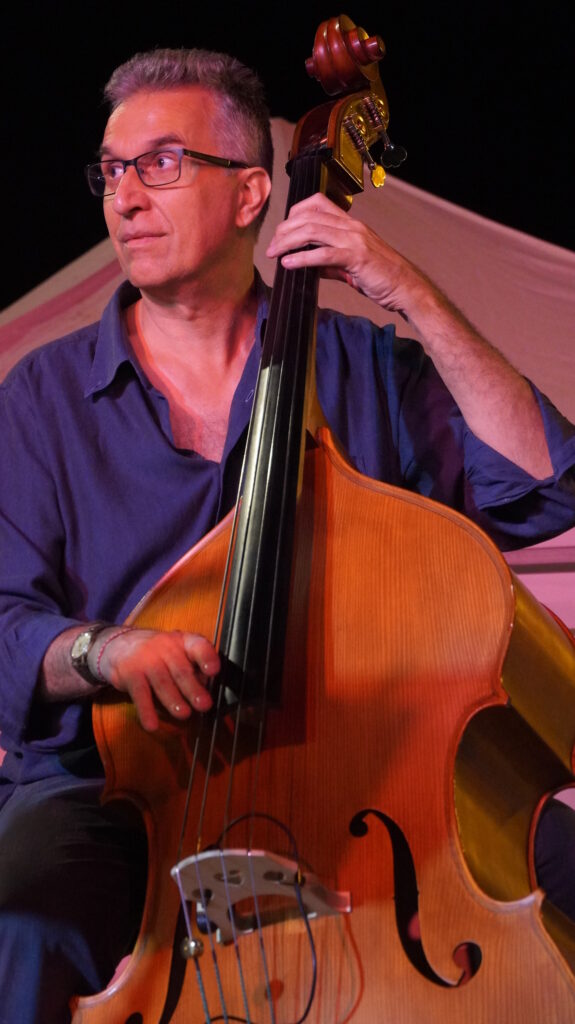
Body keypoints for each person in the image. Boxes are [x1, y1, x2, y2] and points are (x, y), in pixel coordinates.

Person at [0, 45, 574, 1024]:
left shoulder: (363, 368)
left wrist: (408, 290)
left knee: (554, 867)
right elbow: (8, 619)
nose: (124, 197)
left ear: (251, 193)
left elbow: (541, 485)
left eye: (161, 163)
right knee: (23, 917)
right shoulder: (41, 398)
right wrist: (105, 650)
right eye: (111, 169)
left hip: (368, 773)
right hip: (114, 786)